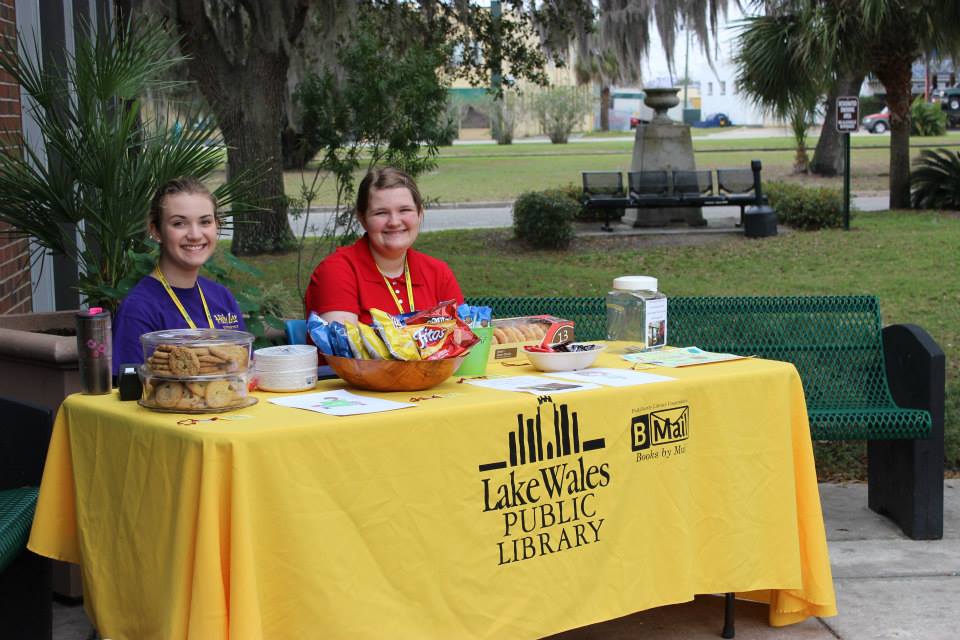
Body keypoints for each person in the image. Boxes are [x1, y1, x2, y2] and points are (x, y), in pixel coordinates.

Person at [112, 177, 245, 375]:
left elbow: (244, 371)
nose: (195, 234)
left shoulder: (222, 297)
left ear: (216, 226)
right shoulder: (139, 309)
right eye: (179, 223)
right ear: (155, 230)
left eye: (205, 222)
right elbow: (129, 392)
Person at [305, 167, 463, 325]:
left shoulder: (438, 273)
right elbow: (343, 347)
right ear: (362, 218)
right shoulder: (337, 271)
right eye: (381, 213)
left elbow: (462, 339)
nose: (394, 222)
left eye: (404, 210)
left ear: (419, 214)